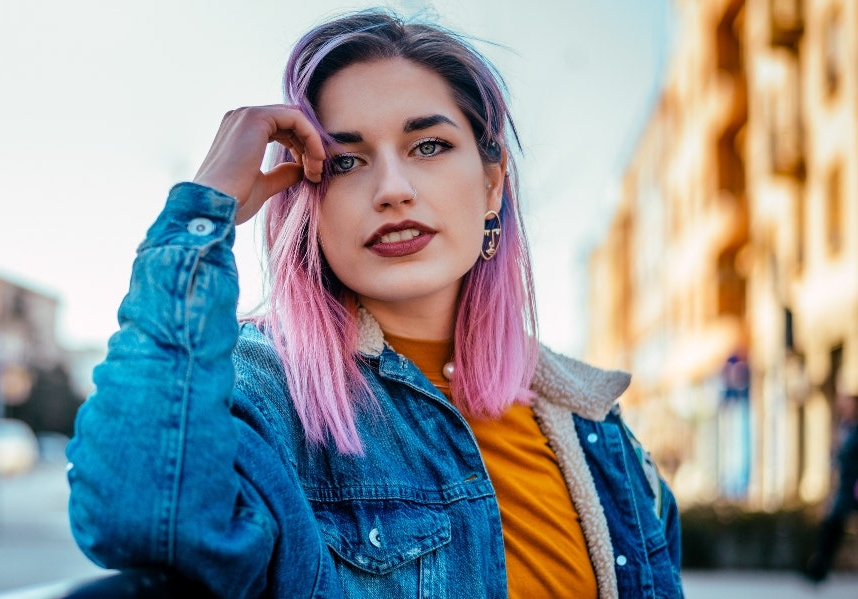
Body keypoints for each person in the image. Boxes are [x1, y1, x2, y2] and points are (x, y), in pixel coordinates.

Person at [66, 10, 682, 598]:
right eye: (347, 161)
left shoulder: (588, 420)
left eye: (429, 146)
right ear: (307, 201)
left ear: (492, 185)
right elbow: (137, 512)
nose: (392, 189)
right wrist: (203, 213)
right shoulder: (264, 390)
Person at [805, 394, 858, 583]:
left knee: (834, 524)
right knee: (832, 525)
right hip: (846, 488)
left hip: (854, 485)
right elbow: (837, 460)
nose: (845, 407)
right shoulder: (843, 427)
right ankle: (819, 568)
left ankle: (819, 568)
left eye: (850, 404)